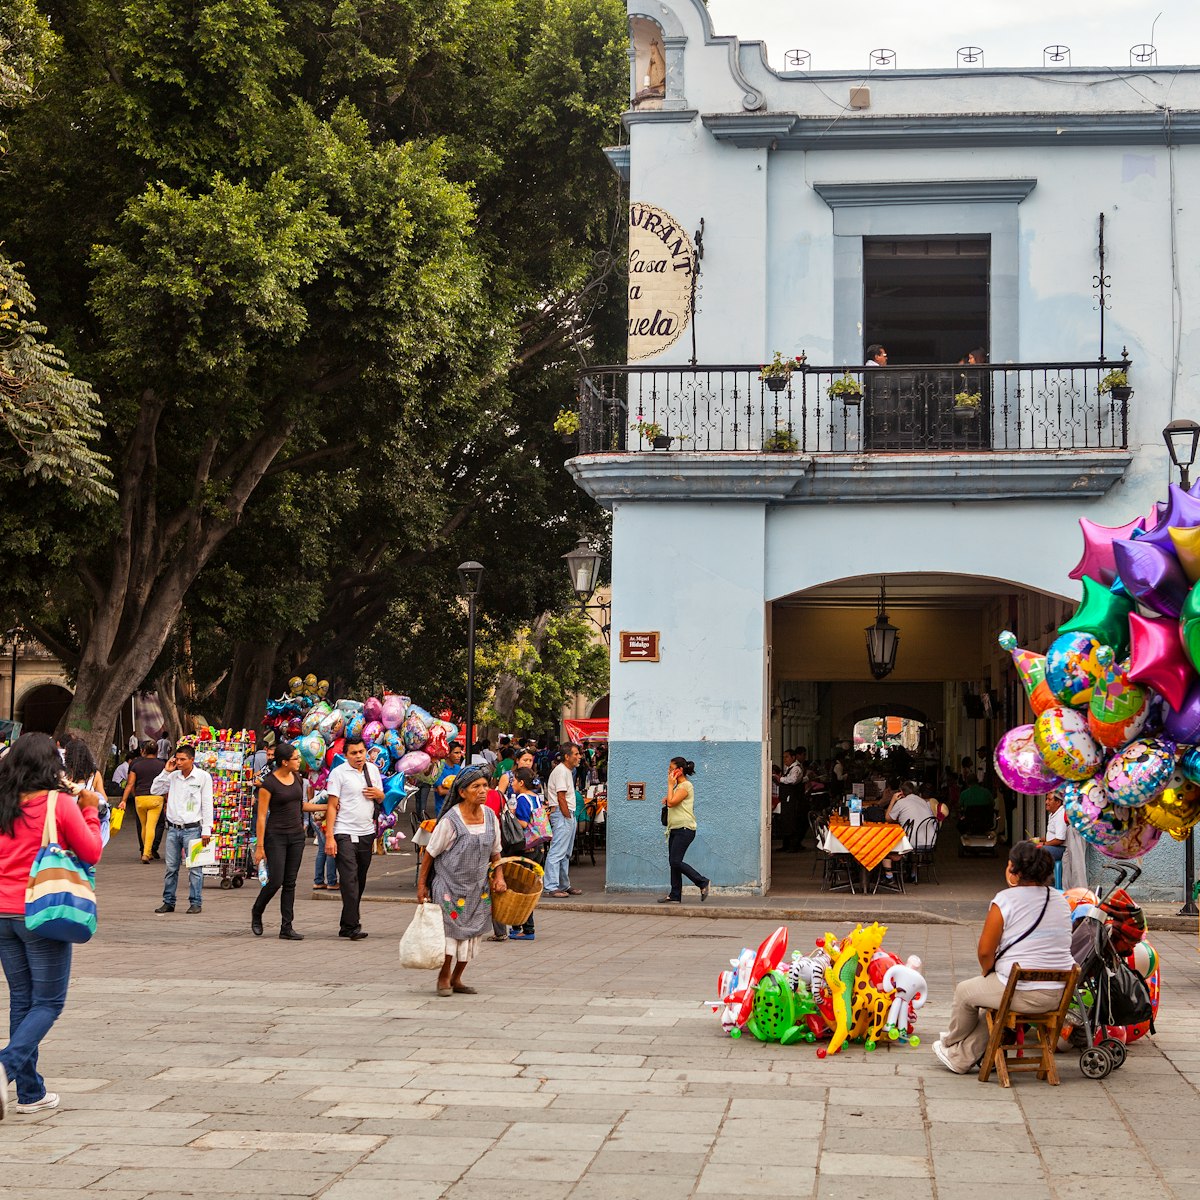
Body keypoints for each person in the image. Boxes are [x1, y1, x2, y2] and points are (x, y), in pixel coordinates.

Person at [0, 733, 104, 1117]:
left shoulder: (3, 803)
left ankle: (29, 1092)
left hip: (3, 915)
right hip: (41, 912)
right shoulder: (57, 805)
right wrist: (91, 809)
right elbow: (91, 851)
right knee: (48, 1002)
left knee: (23, 1001)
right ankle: (5, 1067)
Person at [933, 841, 1073, 1075]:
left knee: (965, 992)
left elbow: (986, 951)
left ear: (1015, 871)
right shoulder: (1061, 900)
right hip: (1058, 993)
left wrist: (988, 971)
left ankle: (950, 1043)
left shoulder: (1005, 900)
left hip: (1021, 990)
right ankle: (960, 1057)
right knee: (995, 1006)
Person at [415, 765, 507, 996]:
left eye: (485, 785)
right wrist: (421, 885)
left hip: (478, 887)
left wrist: (499, 876)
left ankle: (457, 977)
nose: (483, 790)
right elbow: (430, 853)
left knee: (473, 933)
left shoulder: (490, 817)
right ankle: (443, 977)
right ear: (463, 792)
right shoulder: (450, 820)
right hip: (448, 886)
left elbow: (496, 851)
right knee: (450, 933)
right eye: (476, 786)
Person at [251, 741, 327, 940]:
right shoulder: (269, 783)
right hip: (275, 836)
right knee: (276, 880)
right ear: (284, 762)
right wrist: (260, 847)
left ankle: (287, 926)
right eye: (295, 758)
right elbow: (260, 817)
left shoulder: (297, 779)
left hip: (296, 837)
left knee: (290, 882)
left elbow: (300, 805)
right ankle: (257, 911)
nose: (299, 761)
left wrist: (324, 807)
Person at [324, 736, 383, 941]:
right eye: (354, 753)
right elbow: (332, 806)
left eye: (361, 752)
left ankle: (346, 923)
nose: (359, 756)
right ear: (345, 754)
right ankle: (352, 925)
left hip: (367, 832)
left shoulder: (372, 770)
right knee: (349, 879)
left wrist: (378, 794)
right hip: (344, 832)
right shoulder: (338, 773)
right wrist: (329, 836)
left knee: (360, 879)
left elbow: (382, 797)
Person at [151, 744, 214, 915]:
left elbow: (207, 803)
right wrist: (166, 772)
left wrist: (207, 829)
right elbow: (154, 789)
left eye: (182, 759)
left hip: (193, 828)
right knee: (171, 867)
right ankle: (168, 901)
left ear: (192, 760)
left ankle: (195, 901)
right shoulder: (172, 777)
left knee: (195, 868)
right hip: (173, 828)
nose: (178, 762)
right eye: (177, 759)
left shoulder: (203, 777)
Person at [658, 756, 710, 904]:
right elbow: (672, 801)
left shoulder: (686, 786)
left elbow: (672, 803)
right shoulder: (678, 787)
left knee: (675, 861)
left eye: (671, 769)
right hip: (674, 828)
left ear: (679, 771)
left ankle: (702, 882)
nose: (669, 771)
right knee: (673, 862)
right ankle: (675, 894)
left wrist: (669, 787)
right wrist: (669, 795)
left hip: (685, 829)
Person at [543, 743, 582, 898]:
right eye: (576, 754)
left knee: (565, 853)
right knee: (558, 851)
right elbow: (561, 796)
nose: (579, 757)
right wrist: (566, 815)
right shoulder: (561, 772)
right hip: (562, 814)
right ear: (567, 756)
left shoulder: (565, 771)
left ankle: (563, 885)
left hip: (566, 814)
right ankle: (551, 886)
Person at [506, 767, 541, 941]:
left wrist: (510, 815)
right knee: (525, 886)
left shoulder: (522, 798)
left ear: (521, 782)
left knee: (521, 888)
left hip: (524, 847)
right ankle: (518, 926)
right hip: (536, 847)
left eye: (513, 780)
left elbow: (524, 824)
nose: (512, 783)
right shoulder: (536, 797)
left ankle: (527, 928)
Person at [120, 741, 167, 864]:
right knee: (151, 826)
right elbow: (166, 784)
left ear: (144, 751)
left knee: (144, 826)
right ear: (157, 751)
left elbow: (130, 784)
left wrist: (124, 800)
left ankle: (145, 851)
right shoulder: (162, 765)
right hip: (156, 798)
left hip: (140, 799)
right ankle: (147, 853)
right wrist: (167, 800)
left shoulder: (136, 765)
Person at [777, 749, 804, 853]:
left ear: (793, 757)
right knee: (785, 821)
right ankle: (786, 844)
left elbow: (793, 780)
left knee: (792, 821)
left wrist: (781, 779)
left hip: (792, 799)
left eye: (787, 757)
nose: (785, 759)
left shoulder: (796, 768)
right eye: (783, 757)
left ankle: (793, 845)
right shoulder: (788, 768)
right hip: (786, 799)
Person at [434, 742, 465, 816]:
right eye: (456, 753)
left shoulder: (458, 768)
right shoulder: (439, 769)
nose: (459, 756)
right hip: (443, 811)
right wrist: (459, 791)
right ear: (448, 754)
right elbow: (441, 791)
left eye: (460, 753)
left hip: (457, 810)